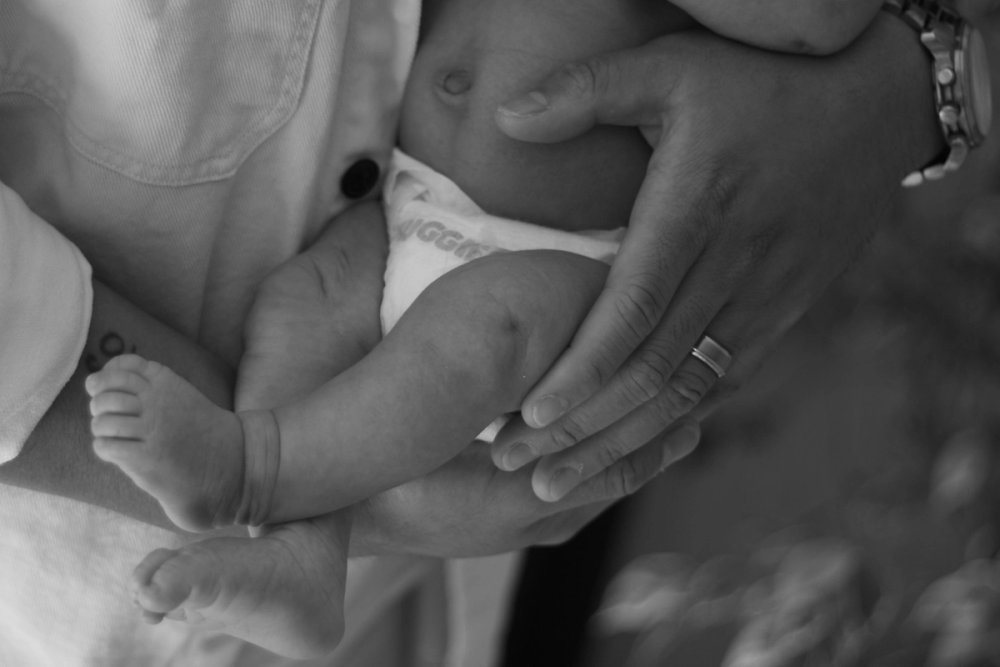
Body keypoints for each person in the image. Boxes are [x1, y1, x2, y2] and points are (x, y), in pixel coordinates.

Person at [0, 1, 976, 666]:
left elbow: (815, 19)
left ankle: (257, 466)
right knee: (301, 309)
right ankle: (300, 543)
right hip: (402, 205)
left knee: (480, 335)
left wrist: (903, 87)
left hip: (558, 254)